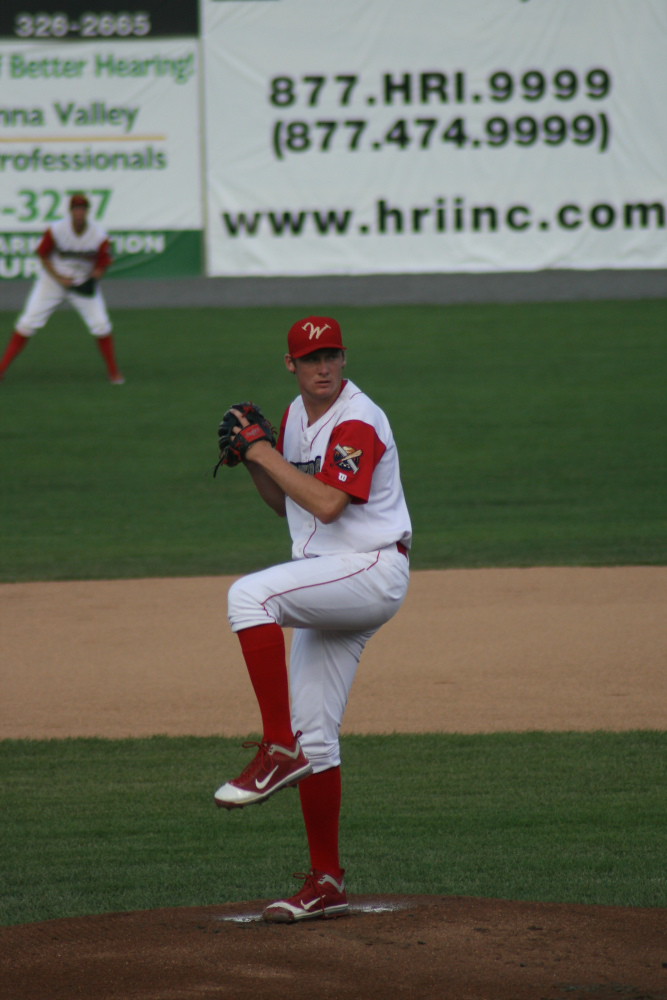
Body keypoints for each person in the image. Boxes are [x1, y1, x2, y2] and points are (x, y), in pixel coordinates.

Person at [213, 315, 412, 923]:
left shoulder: (357, 418)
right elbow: (287, 502)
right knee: (318, 737)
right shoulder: (298, 414)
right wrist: (253, 461)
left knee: (250, 597)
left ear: (344, 358)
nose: (323, 367)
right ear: (291, 365)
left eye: (332, 355)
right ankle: (327, 881)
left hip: (368, 570)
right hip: (333, 580)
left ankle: (277, 748)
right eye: (311, 358)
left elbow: (327, 503)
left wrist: (262, 450)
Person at [0, 193, 124, 384]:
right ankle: (1, 370)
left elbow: (103, 263)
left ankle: (114, 372)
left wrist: (92, 280)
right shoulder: (57, 230)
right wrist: (59, 278)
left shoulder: (99, 236)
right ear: (70, 211)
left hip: (81, 281)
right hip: (52, 281)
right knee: (27, 322)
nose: (79, 212)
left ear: (88, 211)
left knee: (101, 324)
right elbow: (43, 255)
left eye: (82, 208)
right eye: (76, 208)